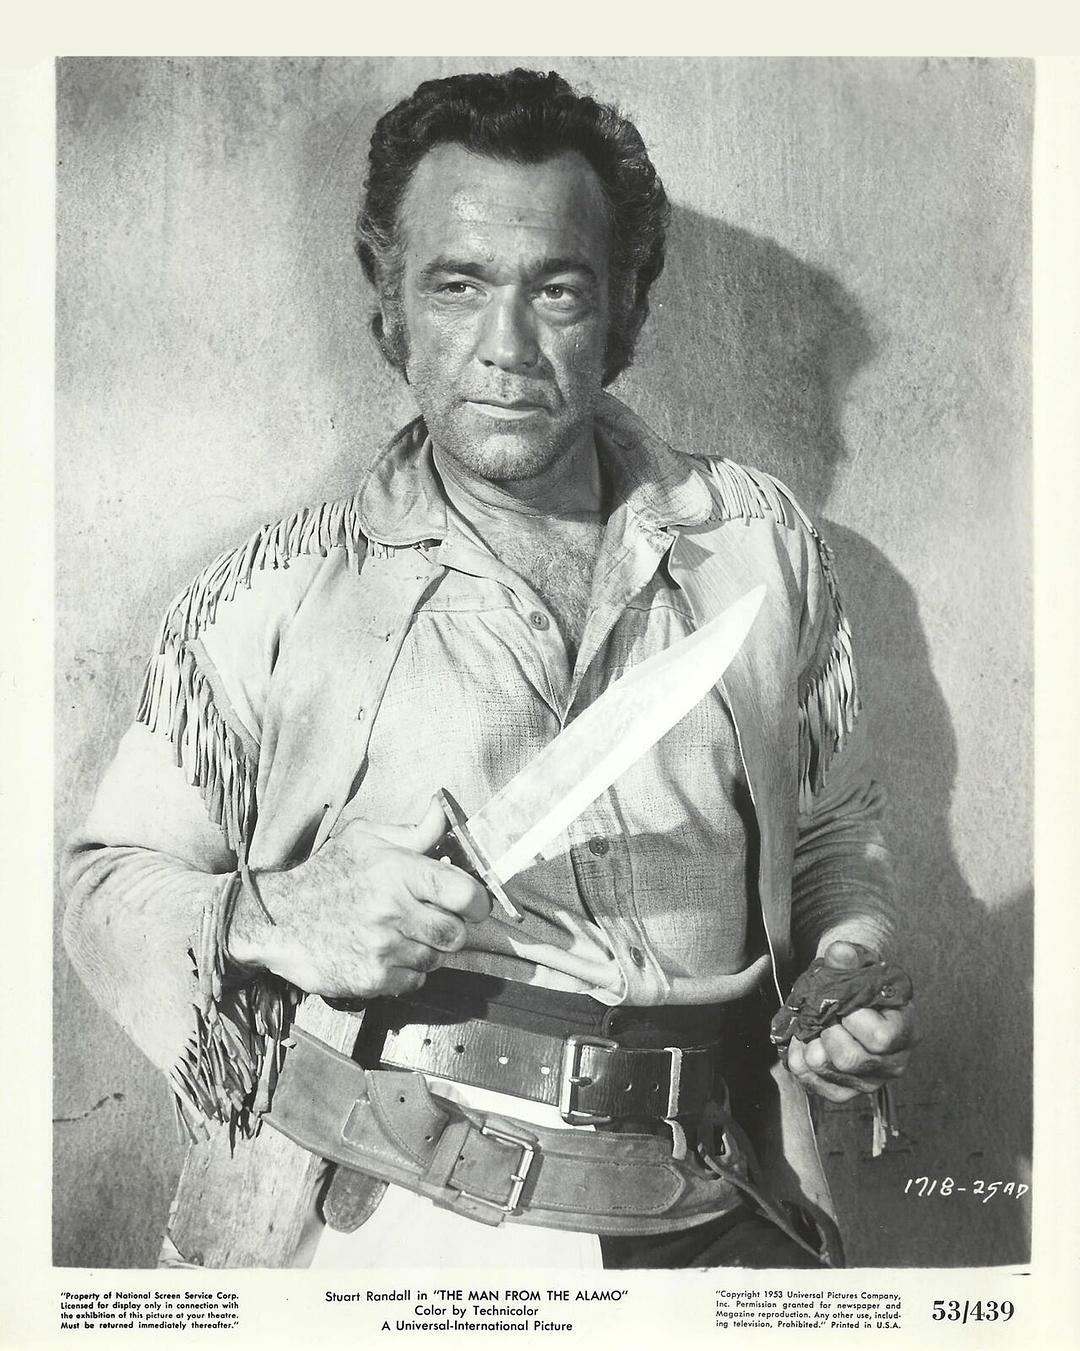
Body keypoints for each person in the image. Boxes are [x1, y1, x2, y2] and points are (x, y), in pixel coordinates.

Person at [62, 67, 915, 1270]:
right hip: (395, 1217)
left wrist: (846, 962)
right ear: (390, 305)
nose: (505, 348)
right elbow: (104, 891)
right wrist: (276, 913)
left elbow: (831, 831)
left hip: (720, 1198)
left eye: (556, 290)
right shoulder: (273, 592)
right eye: (457, 285)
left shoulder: (759, 546)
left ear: (624, 309)